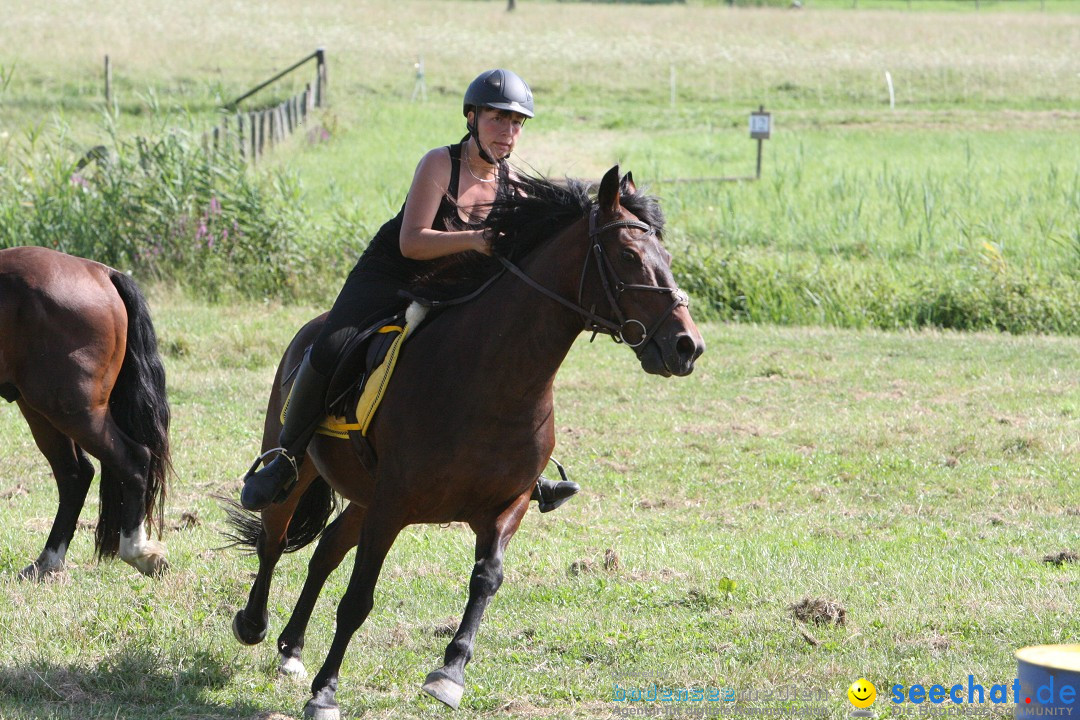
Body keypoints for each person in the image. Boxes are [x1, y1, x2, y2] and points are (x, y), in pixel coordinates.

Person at [240, 69, 580, 514]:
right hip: (391, 277)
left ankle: (525, 471)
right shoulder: (440, 163)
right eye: (499, 119)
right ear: (472, 118)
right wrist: (476, 240)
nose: (509, 133)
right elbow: (412, 241)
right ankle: (285, 457)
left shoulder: (510, 183)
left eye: (517, 124)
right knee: (329, 348)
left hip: (450, 289)